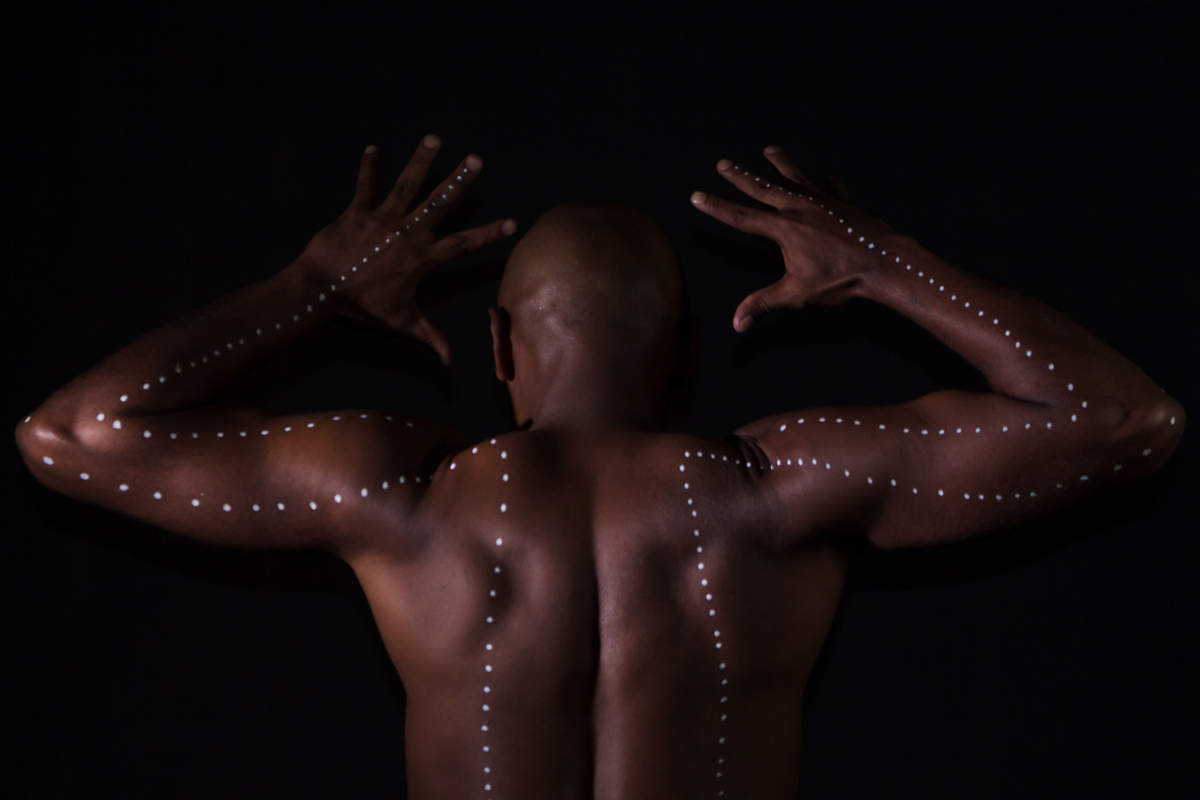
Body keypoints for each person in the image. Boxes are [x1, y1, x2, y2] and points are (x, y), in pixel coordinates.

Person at [15, 133, 1185, 799]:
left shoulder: (409, 500)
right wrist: (884, 262)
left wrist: (311, 288)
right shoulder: (777, 493)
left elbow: (73, 434)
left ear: (497, 346)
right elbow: (1126, 416)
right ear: (681, 354)